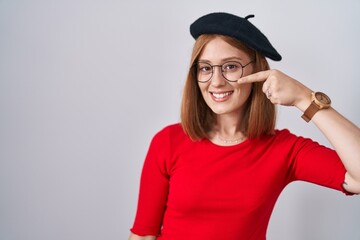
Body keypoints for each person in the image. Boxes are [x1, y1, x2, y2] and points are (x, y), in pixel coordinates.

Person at [128, 12, 360, 240]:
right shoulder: (168, 141)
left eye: (230, 66)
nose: (216, 82)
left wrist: (303, 97)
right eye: (206, 68)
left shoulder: (284, 149)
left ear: (258, 73)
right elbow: (143, 235)